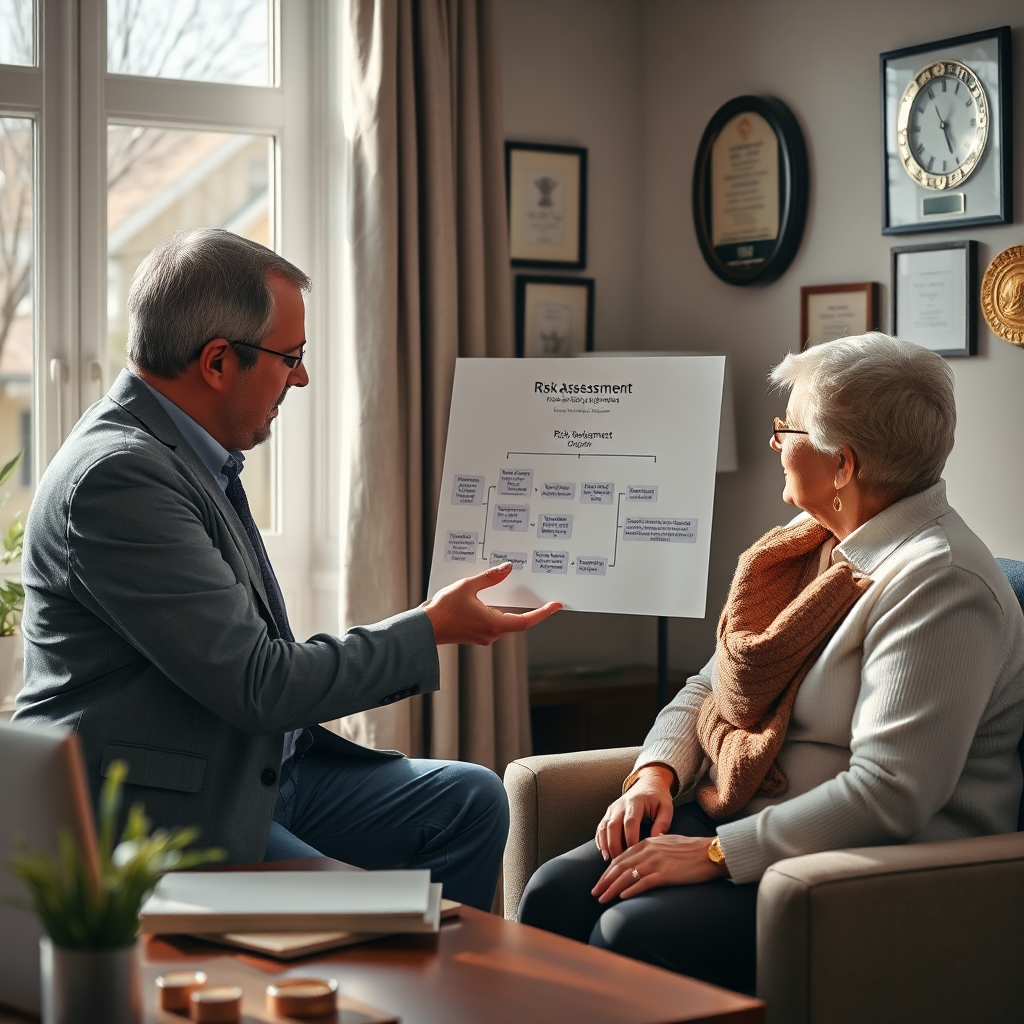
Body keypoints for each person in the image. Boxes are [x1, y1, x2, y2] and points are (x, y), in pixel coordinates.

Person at [14, 228, 559, 912]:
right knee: (366, 913)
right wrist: (430, 628)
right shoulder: (119, 479)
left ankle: (444, 997)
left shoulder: (179, 453)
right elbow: (259, 683)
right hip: (170, 806)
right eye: (291, 358)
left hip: (258, 767)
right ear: (216, 361)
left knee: (471, 800)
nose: (300, 377)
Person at [517, 332, 1024, 989]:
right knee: (554, 893)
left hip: (863, 864)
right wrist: (656, 776)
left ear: (842, 465)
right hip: (743, 813)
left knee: (630, 931)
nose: (773, 442)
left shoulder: (943, 583)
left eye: (787, 429)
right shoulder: (804, 549)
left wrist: (715, 851)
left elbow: (891, 794)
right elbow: (713, 683)